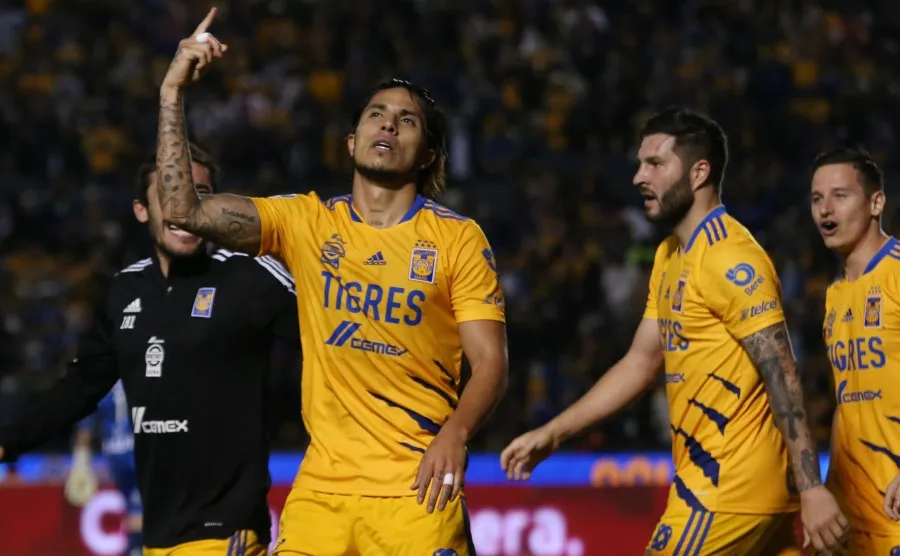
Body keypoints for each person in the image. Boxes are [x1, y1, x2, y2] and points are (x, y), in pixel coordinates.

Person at [153, 9, 508, 555]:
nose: (387, 124)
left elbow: (491, 364)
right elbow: (181, 209)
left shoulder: (457, 240)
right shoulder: (307, 223)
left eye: (406, 120)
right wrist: (172, 92)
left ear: (429, 154)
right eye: (376, 114)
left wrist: (456, 435)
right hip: (321, 493)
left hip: (415, 490)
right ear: (350, 141)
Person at [500, 107, 849, 555]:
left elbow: (781, 371)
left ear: (699, 172)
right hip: (735, 492)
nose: (638, 177)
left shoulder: (729, 257)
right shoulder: (670, 255)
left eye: (655, 164)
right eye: (640, 163)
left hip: (725, 492)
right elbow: (639, 363)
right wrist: (553, 433)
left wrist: (813, 488)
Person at [0, 142, 299, 555]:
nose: (183, 206)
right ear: (142, 209)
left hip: (224, 533)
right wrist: (7, 441)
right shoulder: (125, 289)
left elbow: (332, 338)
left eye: (199, 194)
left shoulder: (249, 276)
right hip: (158, 535)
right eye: (169, 193)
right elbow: (80, 385)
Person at [809, 147, 900, 554]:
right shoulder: (834, 295)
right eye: (816, 199)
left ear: (876, 202)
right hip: (848, 516)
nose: (826, 209)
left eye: (840, 195)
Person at [67, 381, 143, 556]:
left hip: (116, 452)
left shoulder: (100, 376)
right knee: (141, 515)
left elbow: (85, 425)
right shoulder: (141, 368)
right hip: (138, 452)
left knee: (136, 515)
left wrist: (80, 462)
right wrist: (81, 463)